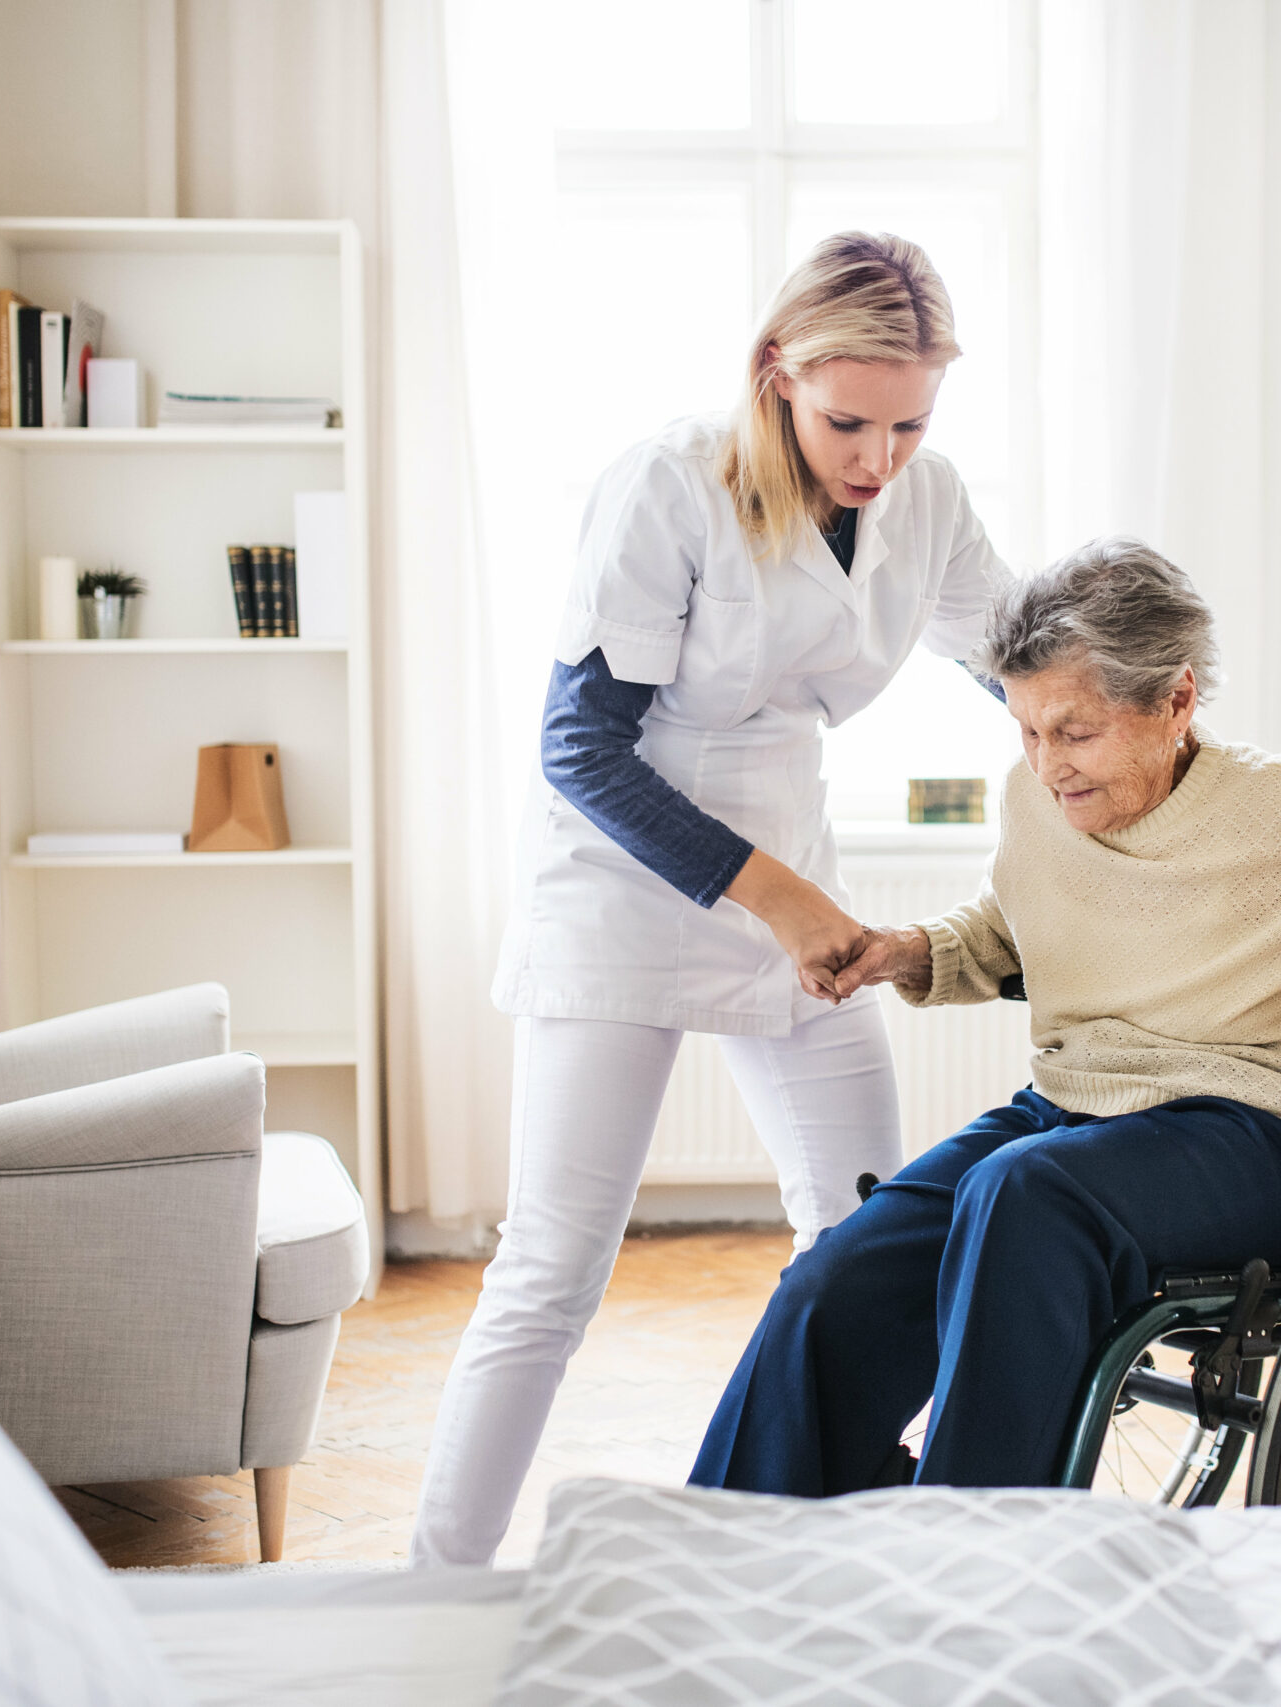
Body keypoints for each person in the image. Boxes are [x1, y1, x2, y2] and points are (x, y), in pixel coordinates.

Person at [689, 538, 1281, 1495]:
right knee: (841, 1277)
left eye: (1074, 733)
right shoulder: (1038, 797)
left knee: (1024, 1197)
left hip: (1253, 1126)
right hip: (1074, 1115)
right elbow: (1016, 926)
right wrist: (909, 951)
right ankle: (731, 1551)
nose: (1047, 766)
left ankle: (969, 1565)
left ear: (1175, 701)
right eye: (1028, 731)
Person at [412, 234, 1012, 1564]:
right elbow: (582, 752)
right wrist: (780, 897)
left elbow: (1021, 661)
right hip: (622, 889)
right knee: (554, 1270)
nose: (877, 457)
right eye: (848, 419)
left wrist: (1145, 730)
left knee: (862, 1241)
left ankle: (837, 1548)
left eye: (911, 422)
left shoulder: (927, 497)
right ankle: (438, 1581)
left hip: (792, 869)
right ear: (774, 374)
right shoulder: (668, 486)